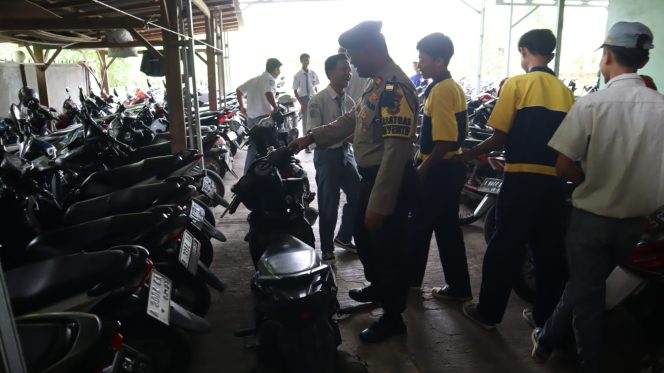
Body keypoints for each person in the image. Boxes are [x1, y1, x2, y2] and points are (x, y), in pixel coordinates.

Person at [531, 22, 664, 373]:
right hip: (637, 224)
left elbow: (562, 166)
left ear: (607, 56)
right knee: (584, 286)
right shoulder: (661, 106)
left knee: (588, 298)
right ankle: (545, 339)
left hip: (591, 221)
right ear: (643, 59)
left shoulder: (592, 104)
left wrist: (587, 176)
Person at [289, 21, 418, 343]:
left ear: (370, 50)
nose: (351, 63)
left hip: (390, 180)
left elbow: (395, 151)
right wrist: (310, 138)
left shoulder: (394, 88)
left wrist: (379, 203)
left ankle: (393, 317)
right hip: (371, 177)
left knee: (389, 249)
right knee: (364, 236)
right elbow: (351, 120)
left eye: (353, 55)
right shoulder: (376, 84)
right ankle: (378, 288)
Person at [458, 29, 573, 330]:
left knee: (504, 247)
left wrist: (470, 153)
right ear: (551, 54)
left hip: (521, 178)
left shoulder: (517, 84)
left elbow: (499, 135)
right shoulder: (566, 92)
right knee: (549, 252)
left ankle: (488, 313)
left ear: (523, 51)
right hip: (554, 184)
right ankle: (543, 317)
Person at [408, 33, 472, 301]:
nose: (419, 64)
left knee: (418, 226)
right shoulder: (452, 86)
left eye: (422, 59)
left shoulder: (442, 90)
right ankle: (459, 288)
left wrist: (423, 168)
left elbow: (445, 140)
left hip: (438, 169)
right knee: (447, 230)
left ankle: (409, 285)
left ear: (439, 60)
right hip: (449, 170)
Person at [308, 53, 361, 264]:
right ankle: (328, 249)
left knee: (358, 195)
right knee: (329, 203)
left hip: (346, 154)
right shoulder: (318, 100)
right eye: (343, 69)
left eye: (349, 69)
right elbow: (314, 134)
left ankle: (344, 236)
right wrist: (342, 135)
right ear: (330, 72)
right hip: (327, 156)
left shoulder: (348, 101)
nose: (348, 73)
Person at [236, 58, 281, 174]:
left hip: (251, 118)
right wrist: (275, 108)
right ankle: (271, 174)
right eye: (279, 69)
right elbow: (268, 92)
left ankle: (247, 174)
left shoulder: (253, 80)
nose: (279, 72)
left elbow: (239, 90)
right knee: (270, 146)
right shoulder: (270, 79)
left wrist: (242, 106)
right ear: (275, 69)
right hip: (264, 119)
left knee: (253, 146)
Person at [293, 53, 320, 153]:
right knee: (305, 122)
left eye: (307, 60)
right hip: (304, 99)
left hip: (313, 98)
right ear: (301, 61)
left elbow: (316, 87)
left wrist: (317, 98)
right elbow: (295, 91)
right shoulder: (297, 75)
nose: (306, 62)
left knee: (315, 120)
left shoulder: (313, 73)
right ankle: (306, 145)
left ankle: (315, 141)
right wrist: (301, 104)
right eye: (304, 60)